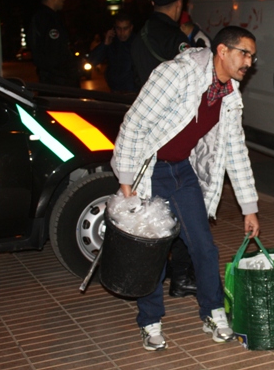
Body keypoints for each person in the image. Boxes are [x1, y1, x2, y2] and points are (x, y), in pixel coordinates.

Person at [111, 25, 260, 350]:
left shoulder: (229, 91)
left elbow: (235, 147)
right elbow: (135, 122)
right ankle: (150, 321)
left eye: (252, 55)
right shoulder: (177, 73)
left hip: (182, 171)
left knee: (204, 247)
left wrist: (249, 206)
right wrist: (126, 180)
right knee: (152, 250)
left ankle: (213, 311)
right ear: (222, 51)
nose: (249, 62)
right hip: (150, 172)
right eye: (244, 53)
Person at [132, 0, 195, 293]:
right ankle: (182, 275)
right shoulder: (174, 38)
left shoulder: (139, 35)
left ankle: (164, 270)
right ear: (179, 5)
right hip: (173, 131)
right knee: (183, 202)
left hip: (146, 130)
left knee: (157, 204)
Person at [131, 0, 191, 86]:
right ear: (179, 3)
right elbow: (189, 77)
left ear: (153, 3)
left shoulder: (140, 35)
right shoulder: (175, 37)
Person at [28, 0, 79, 87]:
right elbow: (54, 53)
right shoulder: (45, 19)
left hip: (58, 81)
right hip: (57, 84)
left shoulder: (51, 18)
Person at [88, 13, 138, 93]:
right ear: (114, 28)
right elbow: (93, 61)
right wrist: (105, 44)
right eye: (119, 28)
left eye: (125, 28)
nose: (122, 32)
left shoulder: (138, 43)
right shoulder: (112, 42)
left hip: (133, 92)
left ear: (131, 28)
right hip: (115, 90)